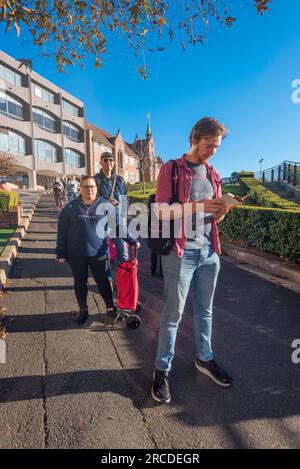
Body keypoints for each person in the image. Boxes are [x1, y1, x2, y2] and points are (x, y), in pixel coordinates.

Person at [151, 117, 232, 404]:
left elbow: (213, 214)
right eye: (209, 145)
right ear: (194, 138)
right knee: (173, 315)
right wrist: (196, 206)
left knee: (205, 311)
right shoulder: (172, 169)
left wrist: (221, 212)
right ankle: (162, 370)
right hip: (180, 253)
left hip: (210, 252)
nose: (213, 151)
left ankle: (204, 358)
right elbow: (160, 212)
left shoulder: (214, 174)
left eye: (217, 147)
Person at [56, 175, 139, 325]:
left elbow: (119, 227)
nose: (90, 190)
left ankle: (109, 308)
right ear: (80, 189)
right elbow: (62, 231)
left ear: (97, 189)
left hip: (99, 254)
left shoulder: (106, 206)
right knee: (80, 282)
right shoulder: (70, 208)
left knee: (104, 283)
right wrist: (60, 252)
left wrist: (132, 240)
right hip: (76, 255)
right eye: (86, 187)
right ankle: (83, 310)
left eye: (92, 187)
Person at [94, 153, 129, 264]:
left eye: (111, 160)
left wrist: (124, 216)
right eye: (105, 160)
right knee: (102, 250)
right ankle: (105, 276)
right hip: (101, 219)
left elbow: (125, 199)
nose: (108, 162)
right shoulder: (95, 180)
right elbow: (89, 199)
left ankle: (123, 275)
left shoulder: (119, 180)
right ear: (100, 162)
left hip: (117, 219)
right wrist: (105, 202)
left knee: (123, 252)